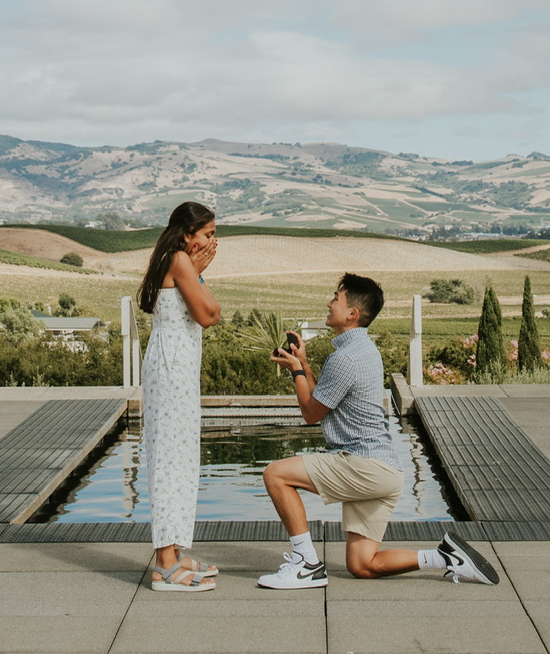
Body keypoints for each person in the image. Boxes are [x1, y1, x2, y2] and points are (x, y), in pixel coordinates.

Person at [258, 272, 499, 589]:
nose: (329, 302)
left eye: (336, 298)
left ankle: (306, 564)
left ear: (352, 314)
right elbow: (323, 400)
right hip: (386, 472)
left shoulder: (345, 357)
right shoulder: (362, 351)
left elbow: (311, 413)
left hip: (363, 466)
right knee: (362, 565)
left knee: (276, 474)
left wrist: (297, 371)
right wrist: (303, 362)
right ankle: (445, 557)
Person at [137, 200, 221, 591]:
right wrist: (201, 275)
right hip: (172, 370)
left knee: (178, 456)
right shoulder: (182, 262)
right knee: (172, 460)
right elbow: (208, 315)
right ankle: (164, 565)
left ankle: (173, 552)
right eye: (208, 234)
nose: (212, 242)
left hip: (172, 367)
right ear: (188, 235)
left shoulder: (169, 257)